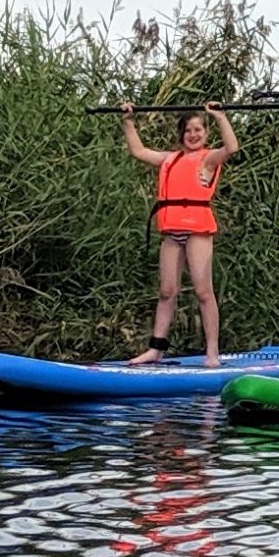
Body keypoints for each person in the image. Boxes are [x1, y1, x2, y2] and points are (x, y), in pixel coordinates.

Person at [118, 103, 237, 366]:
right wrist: (128, 121)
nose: (193, 135)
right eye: (188, 130)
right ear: (181, 135)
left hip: (197, 231)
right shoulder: (169, 159)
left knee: (203, 291)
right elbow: (137, 151)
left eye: (198, 130)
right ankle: (156, 349)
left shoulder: (208, 158)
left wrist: (219, 116)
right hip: (173, 231)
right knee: (167, 290)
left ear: (205, 133)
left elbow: (232, 147)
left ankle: (212, 353)